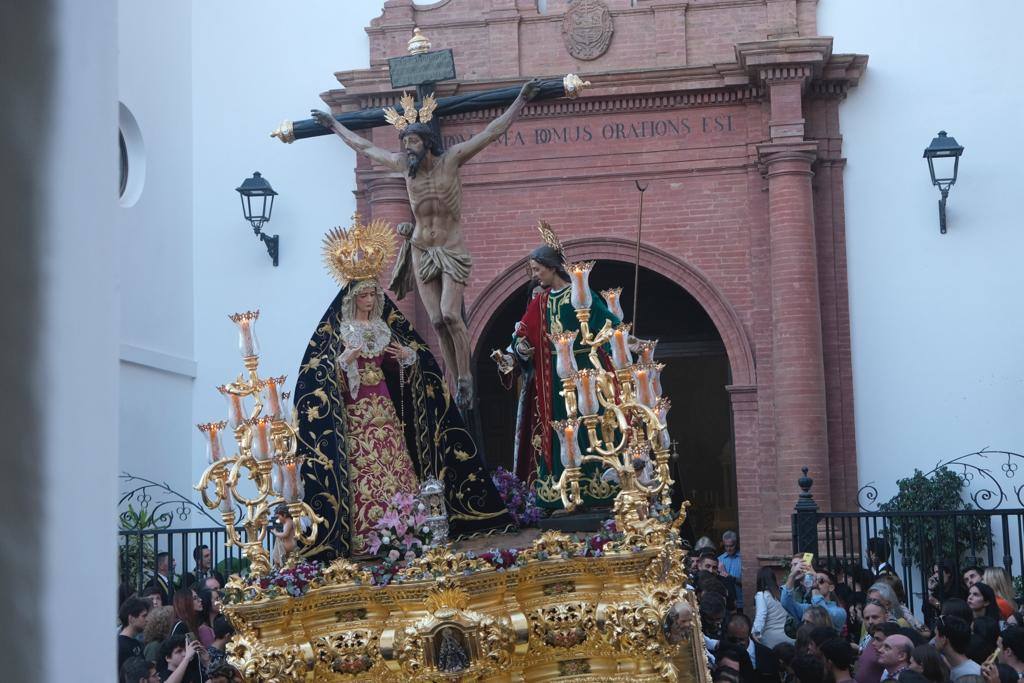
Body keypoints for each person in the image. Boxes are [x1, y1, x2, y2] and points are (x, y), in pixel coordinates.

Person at [311, 80, 541, 410]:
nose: (407, 147)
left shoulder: (452, 160)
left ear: (427, 142)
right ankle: (454, 381)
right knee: (436, 321)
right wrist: (334, 125)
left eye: (413, 141)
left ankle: (465, 376)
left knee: (450, 313)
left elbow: (491, 132)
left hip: (451, 248)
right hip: (421, 249)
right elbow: (367, 148)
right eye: (405, 142)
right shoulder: (406, 169)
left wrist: (520, 100)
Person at [295, 222, 513, 560]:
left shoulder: (383, 327)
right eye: (364, 295)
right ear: (354, 298)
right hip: (356, 413)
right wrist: (345, 361)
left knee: (396, 462)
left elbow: (407, 366)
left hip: (383, 405)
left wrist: (407, 359)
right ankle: (367, 536)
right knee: (363, 467)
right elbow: (319, 378)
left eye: (373, 294)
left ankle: (409, 528)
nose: (370, 300)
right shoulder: (341, 329)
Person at [509, 225, 622, 510]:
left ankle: (596, 486)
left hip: (586, 373)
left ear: (551, 267)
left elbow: (608, 323)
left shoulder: (580, 294)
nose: (535, 275)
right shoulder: (541, 300)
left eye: (537, 269)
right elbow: (523, 333)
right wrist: (518, 348)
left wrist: (614, 342)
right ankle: (564, 490)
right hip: (554, 381)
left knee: (589, 424)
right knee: (561, 430)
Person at [781, 559, 847, 633]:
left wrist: (815, 586)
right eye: (814, 579)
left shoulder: (840, 612)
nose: (816, 582)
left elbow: (821, 614)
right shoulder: (808, 607)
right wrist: (792, 576)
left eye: (821, 581)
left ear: (831, 587)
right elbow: (786, 602)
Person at [725, 612, 781, 683]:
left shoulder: (768, 655)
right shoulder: (718, 653)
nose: (737, 644)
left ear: (749, 634)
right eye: (732, 640)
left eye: (741, 640)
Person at [754, 566, 795, 648]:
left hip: (771, 640)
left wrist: (756, 632)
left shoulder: (761, 595)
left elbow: (761, 615)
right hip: (789, 637)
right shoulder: (782, 593)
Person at [936, 614, 981, 680]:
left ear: (943, 639)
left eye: (936, 635)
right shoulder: (953, 667)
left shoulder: (970, 675)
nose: (935, 639)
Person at [118, 597, 149, 668]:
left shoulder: (136, 643)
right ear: (131, 618)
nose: (147, 619)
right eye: (144, 616)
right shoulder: (120, 646)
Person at [719, 531, 743, 612]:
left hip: (740, 601)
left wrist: (730, 578)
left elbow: (747, 582)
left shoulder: (743, 559)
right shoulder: (720, 559)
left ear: (736, 544)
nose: (728, 549)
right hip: (725, 602)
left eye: (731, 546)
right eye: (726, 546)